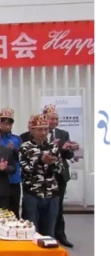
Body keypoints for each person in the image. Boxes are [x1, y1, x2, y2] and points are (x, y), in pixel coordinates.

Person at [19, 114, 63, 238]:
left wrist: (52, 163)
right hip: (32, 194)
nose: (43, 133)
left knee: (49, 232)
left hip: (52, 194)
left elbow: (60, 169)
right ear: (32, 130)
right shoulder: (25, 147)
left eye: (45, 129)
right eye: (39, 130)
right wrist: (40, 161)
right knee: (31, 231)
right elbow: (25, 170)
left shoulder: (53, 147)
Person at [44, 103, 77, 248]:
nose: (54, 121)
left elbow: (68, 156)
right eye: (51, 118)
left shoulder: (63, 134)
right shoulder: (40, 132)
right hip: (44, 174)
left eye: (56, 119)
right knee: (45, 205)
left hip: (60, 174)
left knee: (58, 205)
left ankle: (60, 234)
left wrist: (69, 149)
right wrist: (59, 148)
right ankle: (46, 232)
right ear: (45, 118)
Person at [0, 108, 23, 218]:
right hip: (0, 178)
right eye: (4, 123)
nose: (7, 126)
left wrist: (14, 150)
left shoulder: (17, 139)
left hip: (14, 179)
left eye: (9, 124)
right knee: (1, 210)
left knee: (14, 210)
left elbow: (22, 157)